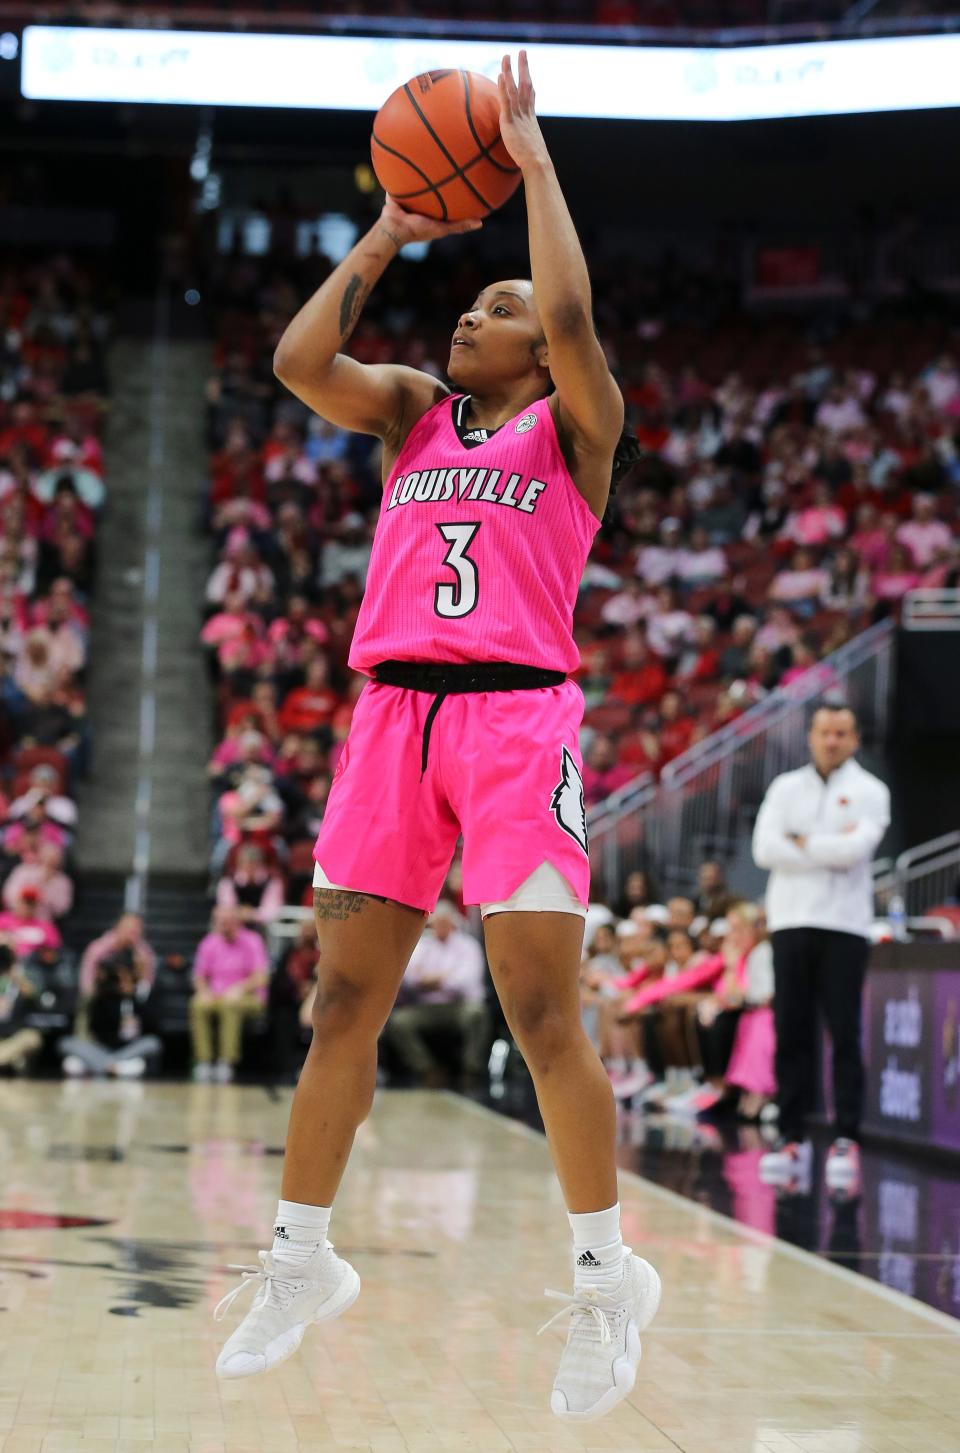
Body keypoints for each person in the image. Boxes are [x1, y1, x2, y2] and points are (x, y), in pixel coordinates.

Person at [212, 53, 661, 1421]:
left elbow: (575, 308)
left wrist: (531, 167)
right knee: (340, 1002)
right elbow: (298, 361)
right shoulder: (412, 413)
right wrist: (398, 225)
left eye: (496, 307)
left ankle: (604, 1281)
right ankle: (299, 1259)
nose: (474, 316)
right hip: (388, 722)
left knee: (539, 1012)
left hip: (517, 721)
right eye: (469, 303)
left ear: (539, 352)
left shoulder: (577, 430)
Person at [752, 704, 890, 1195]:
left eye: (842, 732)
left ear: (854, 738)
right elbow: (764, 850)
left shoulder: (872, 792)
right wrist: (826, 846)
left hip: (844, 926)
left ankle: (846, 1139)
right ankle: (791, 1137)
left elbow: (856, 852)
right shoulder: (786, 787)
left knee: (844, 1033)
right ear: (811, 735)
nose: (832, 740)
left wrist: (801, 842)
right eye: (825, 732)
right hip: (790, 920)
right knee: (792, 1031)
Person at [381, 900, 490, 1088]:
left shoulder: (468, 945)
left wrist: (431, 980)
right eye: (437, 922)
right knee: (399, 1022)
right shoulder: (422, 944)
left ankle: (471, 1072)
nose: (440, 926)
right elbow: (408, 978)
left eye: (445, 922)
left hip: (459, 1006)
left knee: (477, 1014)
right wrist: (443, 977)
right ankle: (428, 1069)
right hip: (426, 1007)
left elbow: (465, 982)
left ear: (453, 923)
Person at [190, 904, 270, 1082]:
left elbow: (261, 977)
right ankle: (204, 1061)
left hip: (248, 996)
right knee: (198, 1004)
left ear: (236, 922)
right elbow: (199, 976)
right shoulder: (209, 942)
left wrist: (240, 988)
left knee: (230, 1004)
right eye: (218, 921)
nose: (222, 925)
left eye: (226, 921)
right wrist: (204, 992)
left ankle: (226, 1062)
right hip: (216, 995)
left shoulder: (253, 941)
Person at [58, 949, 163, 1079]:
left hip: (128, 1049)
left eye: (126, 979)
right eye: (119, 980)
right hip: (102, 1048)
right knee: (66, 1044)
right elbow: (95, 1027)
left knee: (153, 1043)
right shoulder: (103, 997)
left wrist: (133, 997)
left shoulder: (140, 997)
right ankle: (112, 1067)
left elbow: (152, 1025)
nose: (123, 984)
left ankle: (105, 1066)